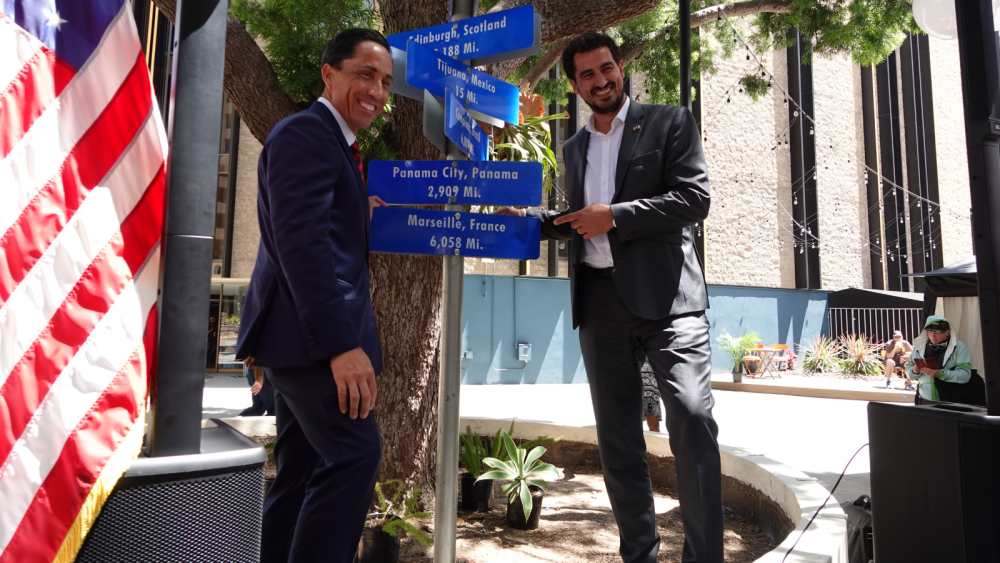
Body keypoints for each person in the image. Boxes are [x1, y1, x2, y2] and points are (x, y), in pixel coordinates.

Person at [497, 31, 721, 563]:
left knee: (691, 418)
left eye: (606, 69)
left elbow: (694, 198)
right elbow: (580, 223)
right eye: (587, 76)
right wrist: (531, 222)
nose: (600, 81)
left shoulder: (670, 122)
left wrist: (615, 216)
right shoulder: (574, 147)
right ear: (574, 85)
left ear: (620, 67)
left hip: (672, 302)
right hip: (600, 302)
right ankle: (639, 555)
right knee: (618, 440)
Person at [235, 28, 392, 563]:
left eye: (386, 81)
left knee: (300, 475)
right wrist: (339, 346)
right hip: (312, 347)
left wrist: (358, 214)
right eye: (365, 74)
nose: (377, 89)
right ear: (329, 73)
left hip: (293, 343)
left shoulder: (331, 144)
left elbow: (311, 230)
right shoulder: (304, 134)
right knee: (355, 456)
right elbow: (302, 248)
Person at [906, 316, 973, 403]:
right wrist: (914, 371)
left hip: (951, 399)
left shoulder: (959, 347)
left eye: (938, 332)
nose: (933, 335)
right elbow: (908, 372)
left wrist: (940, 374)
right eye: (929, 331)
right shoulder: (919, 347)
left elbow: (965, 375)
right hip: (924, 398)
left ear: (948, 332)